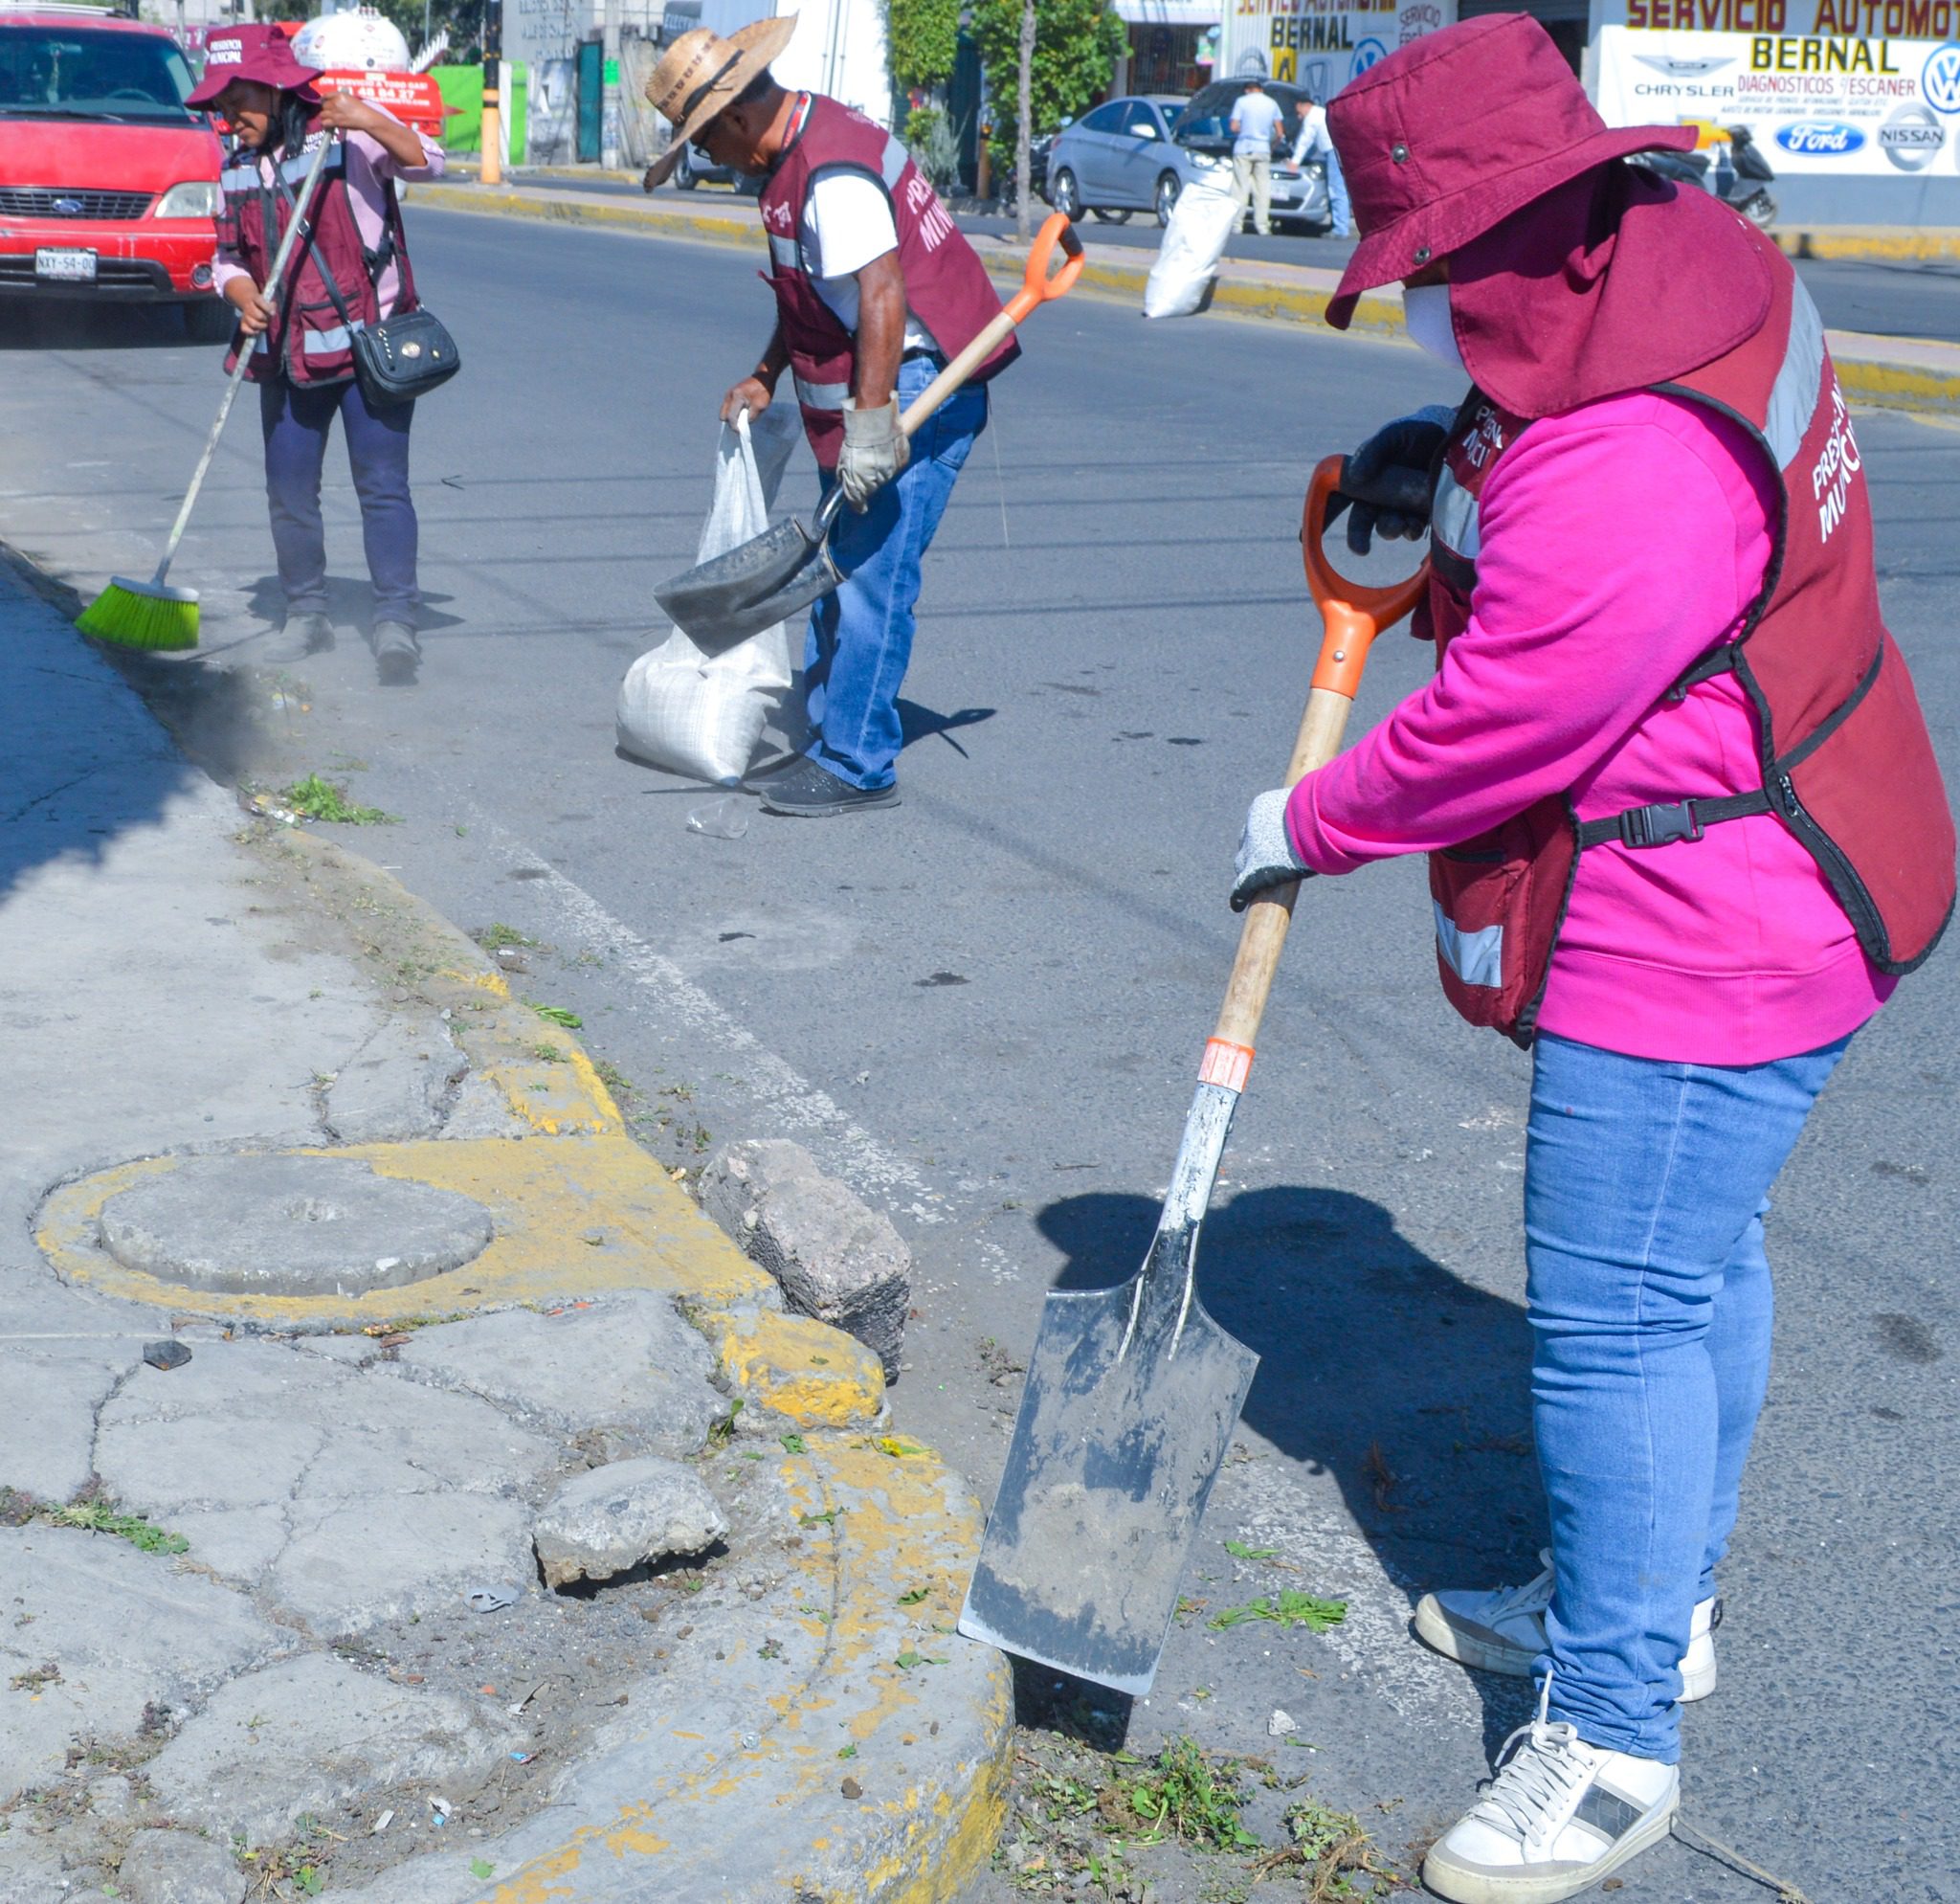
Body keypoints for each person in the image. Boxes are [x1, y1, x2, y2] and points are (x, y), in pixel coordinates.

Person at [1230, 17, 1954, 1902]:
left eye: (1418, 270)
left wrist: (1301, 822)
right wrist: (1440, 461)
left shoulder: (1620, 445)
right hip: (1811, 834)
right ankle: (1653, 1592)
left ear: (1494, 239)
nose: (1420, 308)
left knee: (1618, 1306)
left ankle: (1615, 1736)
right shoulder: (1673, 266)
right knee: (1689, 1265)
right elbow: (1544, 512)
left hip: (1708, 911)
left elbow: (1506, 716)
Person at [641, 20, 1019, 817]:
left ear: (738, 116)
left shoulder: (829, 172)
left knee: (872, 580)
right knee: (833, 572)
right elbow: (814, 291)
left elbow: (882, 294)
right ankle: (825, 733)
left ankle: (858, 760)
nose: (711, 159)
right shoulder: (789, 156)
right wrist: (766, 372)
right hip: (872, 389)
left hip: (916, 388)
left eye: (706, 143)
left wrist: (874, 427)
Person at [191, 26, 443, 684]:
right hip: (289, 356)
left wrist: (366, 116)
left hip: (370, 350)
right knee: (288, 489)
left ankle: (395, 622)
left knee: (382, 487)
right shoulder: (235, 166)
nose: (228, 118)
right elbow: (225, 259)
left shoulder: (347, 138)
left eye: (237, 101)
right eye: (220, 106)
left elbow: (427, 161)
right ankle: (307, 614)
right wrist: (242, 293)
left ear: (275, 91)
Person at [1288, 88, 1350, 237]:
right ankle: (1339, 225)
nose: (1299, 116)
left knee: (1336, 190)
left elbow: (1305, 141)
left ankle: (1341, 228)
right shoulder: (1320, 113)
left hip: (1332, 152)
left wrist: (1295, 161)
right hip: (1334, 150)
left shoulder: (1312, 118)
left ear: (1302, 106)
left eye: (1299, 111)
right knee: (1338, 189)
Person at [1227, 76, 1282, 237]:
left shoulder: (1241, 101)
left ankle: (1237, 224)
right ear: (1261, 89)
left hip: (1244, 147)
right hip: (1263, 148)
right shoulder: (1271, 103)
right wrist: (1271, 147)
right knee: (1262, 189)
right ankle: (1262, 226)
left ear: (1247, 90)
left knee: (1240, 187)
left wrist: (1244, 130)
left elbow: (1233, 126)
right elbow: (1279, 133)